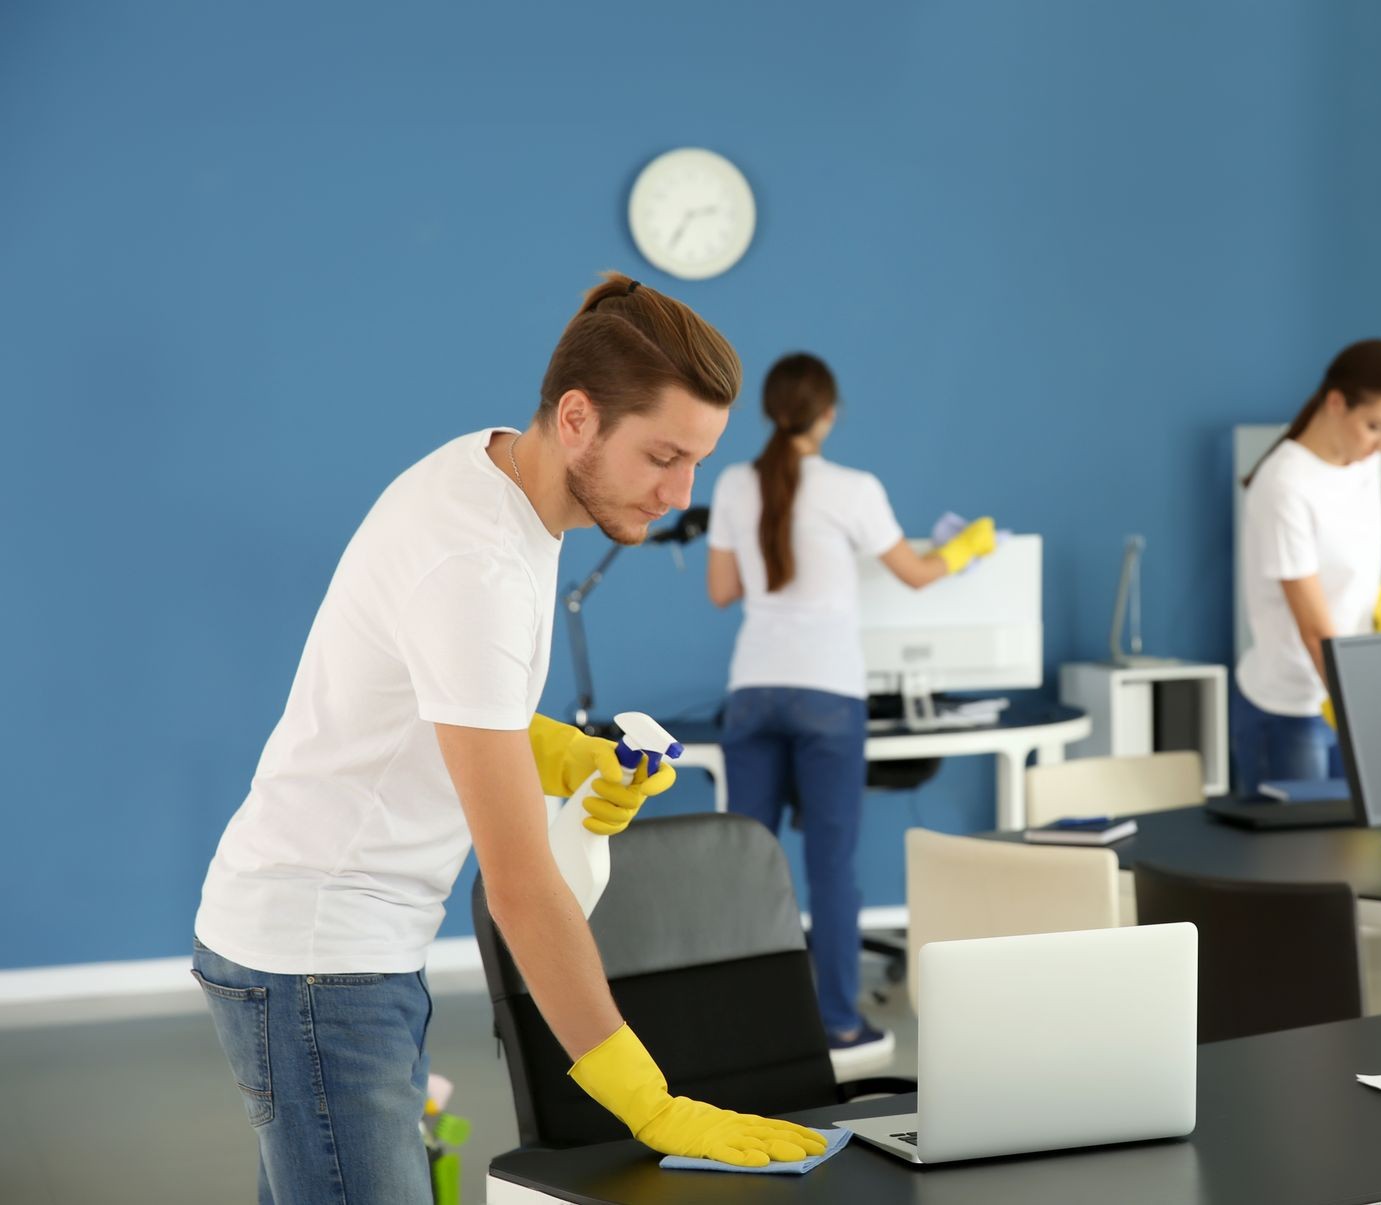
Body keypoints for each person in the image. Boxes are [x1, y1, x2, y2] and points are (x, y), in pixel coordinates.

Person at [193, 273, 826, 1203]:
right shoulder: (476, 564)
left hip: (335, 945)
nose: (680, 491)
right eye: (662, 456)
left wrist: (569, 755)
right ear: (577, 418)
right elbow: (522, 891)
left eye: (697, 460)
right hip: (317, 956)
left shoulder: (499, 473)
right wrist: (649, 1103)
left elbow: (444, 696)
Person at [706, 352, 995, 1068]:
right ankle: (836, 1022)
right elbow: (917, 575)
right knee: (831, 866)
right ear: (827, 414)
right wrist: (968, 546)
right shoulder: (853, 488)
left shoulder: (735, 483)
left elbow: (721, 591)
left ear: (770, 410)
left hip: (752, 690)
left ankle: (743, 1024)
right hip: (829, 694)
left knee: (749, 864)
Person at [1234, 338, 1381, 792]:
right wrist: (1368, 717)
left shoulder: (1363, 464)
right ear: (1336, 403)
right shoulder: (1285, 486)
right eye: (1376, 426)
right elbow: (1315, 630)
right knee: (1299, 861)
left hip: (1347, 693)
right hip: (1292, 711)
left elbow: (1353, 567)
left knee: (1354, 856)